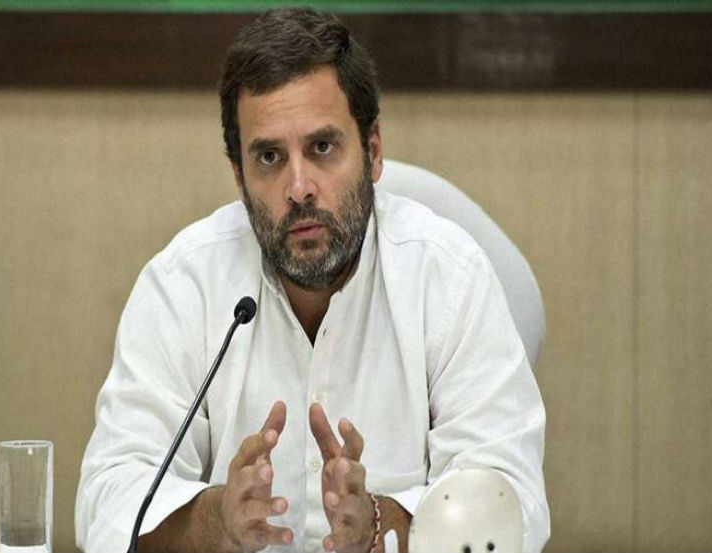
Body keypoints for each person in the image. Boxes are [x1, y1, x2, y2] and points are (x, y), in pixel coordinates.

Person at [75, 8, 550, 553]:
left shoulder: (449, 280)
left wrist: (381, 526)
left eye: (322, 148)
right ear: (239, 176)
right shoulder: (183, 286)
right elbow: (107, 503)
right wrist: (215, 521)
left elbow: (510, 502)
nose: (298, 187)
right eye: (269, 157)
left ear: (372, 152)